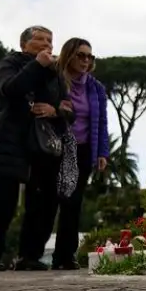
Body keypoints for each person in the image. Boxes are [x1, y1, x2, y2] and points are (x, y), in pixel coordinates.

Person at [0, 25, 69, 271]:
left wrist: (55, 111)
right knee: (5, 201)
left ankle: (28, 256)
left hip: (42, 145)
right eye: (40, 39)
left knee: (42, 204)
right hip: (11, 141)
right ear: (24, 44)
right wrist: (36, 65)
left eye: (50, 40)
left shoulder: (55, 73)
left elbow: (68, 108)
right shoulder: (12, 62)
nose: (47, 44)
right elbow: (10, 89)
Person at [48, 37, 110, 270]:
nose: (86, 60)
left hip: (82, 151)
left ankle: (65, 256)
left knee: (73, 204)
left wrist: (102, 152)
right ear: (69, 55)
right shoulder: (54, 80)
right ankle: (30, 254)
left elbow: (102, 123)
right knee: (48, 202)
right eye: (81, 55)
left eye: (90, 56)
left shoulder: (96, 88)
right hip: (54, 148)